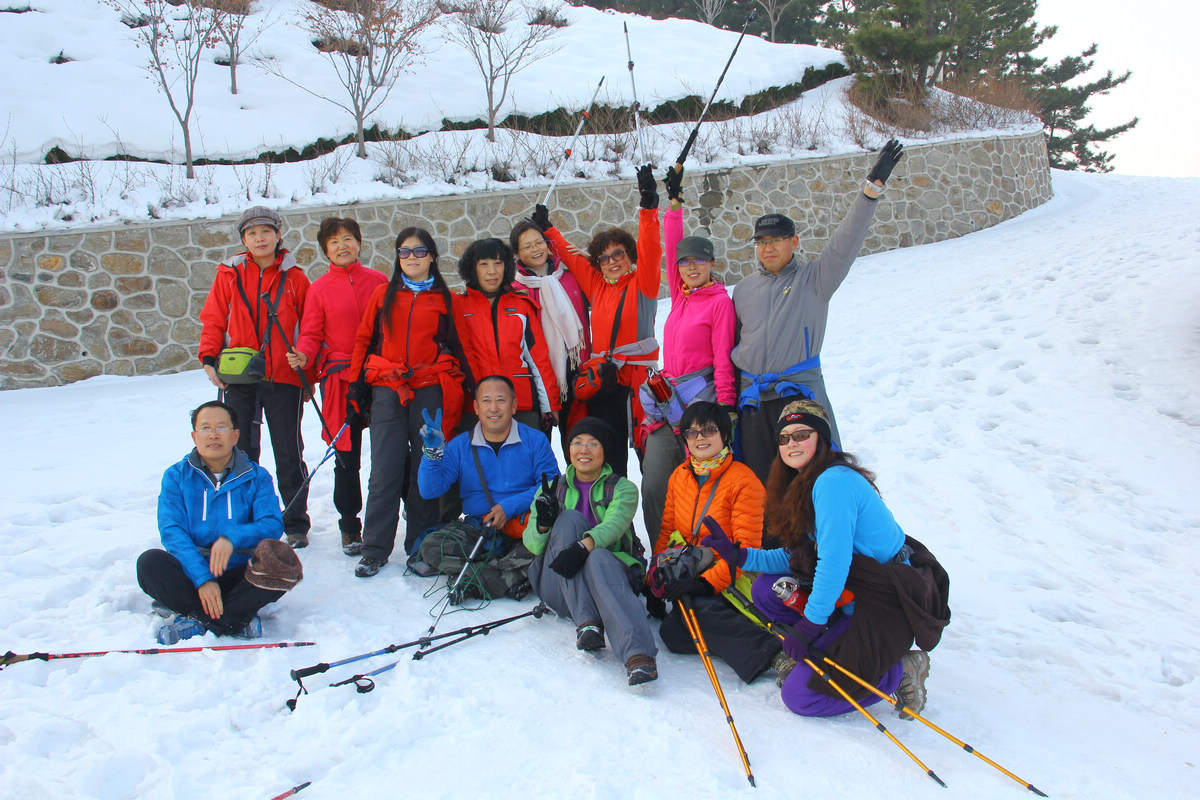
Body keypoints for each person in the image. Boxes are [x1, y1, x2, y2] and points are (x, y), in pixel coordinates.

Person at [702, 399, 950, 718]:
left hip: (883, 603)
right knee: (766, 589)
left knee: (801, 697)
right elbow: (801, 556)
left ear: (821, 437)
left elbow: (833, 564)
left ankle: (899, 670)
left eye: (801, 434)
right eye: (784, 437)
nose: (792, 443)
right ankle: (831, 645)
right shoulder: (808, 482)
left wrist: (809, 627)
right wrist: (740, 556)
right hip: (852, 594)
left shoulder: (832, 483)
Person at [733, 140, 905, 488]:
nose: (768, 248)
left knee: (806, 481)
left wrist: (870, 192)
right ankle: (763, 544)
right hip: (751, 400)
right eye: (762, 241)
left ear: (793, 243)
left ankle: (809, 542)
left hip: (796, 396)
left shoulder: (815, 279)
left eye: (776, 240)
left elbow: (846, 241)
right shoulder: (743, 289)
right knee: (755, 483)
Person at [349, 227, 466, 578]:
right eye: (404, 252)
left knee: (425, 468)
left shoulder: (446, 300)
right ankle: (374, 548)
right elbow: (363, 341)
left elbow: (458, 347)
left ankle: (420, 545)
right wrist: (356, 385)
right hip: (388, 388)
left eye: (418, 251)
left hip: (430, 389)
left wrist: (470, 388)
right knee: (384, 469)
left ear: (431, 256)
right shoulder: (383, 295)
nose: (411, 258)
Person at [137, 401, 303, 645]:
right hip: (192, 574)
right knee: (149, 563)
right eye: (205, 428)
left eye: (221, 427)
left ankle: (199, 620)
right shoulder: (176, 476)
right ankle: (234, 618)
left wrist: (232, 539)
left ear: (235, 435)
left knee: (282, 561)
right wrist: (203, 580)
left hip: (241, 572)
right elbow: (173, 531)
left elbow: (271, 524)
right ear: (194, 436)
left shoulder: (256, 477)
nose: (213, 434)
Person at [534, 165, 663, 476]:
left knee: (652, 461)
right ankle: (616, 521)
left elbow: (652, 249)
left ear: (630, 256)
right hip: (604, 383)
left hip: (638, 384)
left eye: (618, 254)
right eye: (604, 258)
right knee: (610, 457)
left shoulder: (643, 284)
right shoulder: (597, 285)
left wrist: (648, 208)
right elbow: (574, 259)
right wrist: (548, 230)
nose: (611, 262)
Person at [197, 205, 312, 548]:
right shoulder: (229, 274)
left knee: (288, 452)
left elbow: (309, 327)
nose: (259, 238)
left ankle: (295, 524)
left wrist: (309, 372)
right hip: (240, 376)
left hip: (284, 376)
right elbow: (214, 317)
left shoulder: (296, 277)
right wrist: (208, 357)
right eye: (251, 233)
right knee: (241, 452)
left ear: (278, 235)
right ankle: (245, 521)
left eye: (265, 231)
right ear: (244, 240)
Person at [650, 402, 784, 685]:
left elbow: (745, 552)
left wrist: (703, 585)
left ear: (725, 434)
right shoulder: (680, 476)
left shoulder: (743, 480)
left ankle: (774, 654)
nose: (700, 438)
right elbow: (667, 529)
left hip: (733, 575)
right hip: (693, 568)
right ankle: (726, 630)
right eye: (692, 432)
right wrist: (656, 571)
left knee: (698, 607)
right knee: (672, 633)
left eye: (709, 430)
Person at [638, 165, 737, 541]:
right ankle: (661, 559)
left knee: (703, 490)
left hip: (702, 405)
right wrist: (674, 203)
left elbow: (724, 360)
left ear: (711, 264)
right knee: (656, 485)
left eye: (698, 260)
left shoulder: (719, 304)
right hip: (668, 407)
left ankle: (701, 556)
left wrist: (726, 409)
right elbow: (671, 242)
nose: (690, 266)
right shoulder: (680, 295)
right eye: (684, 262)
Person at [524, 417, 657, 686]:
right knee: (569, 519)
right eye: (577, 443)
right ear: (568, 448)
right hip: (559, 585)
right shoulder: (552, 490)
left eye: (593, 444)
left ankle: (638, 656)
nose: (583, 450)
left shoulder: (623, 488)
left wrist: (584, 546)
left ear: (604, 451)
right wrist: (543, 522)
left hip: (609, 580)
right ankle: (587, 623)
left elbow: (614, 525)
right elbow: (533, 546)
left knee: (596, 554)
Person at [289, 217, 388, 556]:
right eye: (334, 242)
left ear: (359, 243)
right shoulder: (319, 289)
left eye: (348, 238)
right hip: (340, 381)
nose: (342, 246)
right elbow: (312, 333)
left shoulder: (379, 282)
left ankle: (385, 520)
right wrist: (304, 355)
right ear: (325, 250)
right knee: (346, 457)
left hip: (378, 377)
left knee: (388, 453)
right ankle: (350, 526)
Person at [416, 375, 559, 599]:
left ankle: (478, 575)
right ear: (475, 407)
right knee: (432, 546)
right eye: (486, 401)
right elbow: (430, 490)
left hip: (524, 526)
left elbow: (552, 484)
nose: (494, 408)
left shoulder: (535, 440)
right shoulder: (460, 445)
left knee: (549, 545)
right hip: (479, 527)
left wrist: (509, 507)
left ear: (513, 406)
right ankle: (510, 574)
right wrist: (432, 454)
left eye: (501, 400)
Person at [454, 237, 561, 434]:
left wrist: (550, 404)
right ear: (472, 268)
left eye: (498, 263)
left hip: (520, 403)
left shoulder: (522, 306)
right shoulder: (458, 307)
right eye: (484, 264)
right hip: (474, 407)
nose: (492, 272)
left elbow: (539, 360)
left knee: (525, 462)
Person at [509, 218, 591, 451]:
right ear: (516, 253)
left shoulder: (568, 275)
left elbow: (603, 283)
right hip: (538, 383)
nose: (536, 249)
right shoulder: (514, 289)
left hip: (576, 375)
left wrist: (588, 260)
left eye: (539, 242)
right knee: (538, 450)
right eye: (527, 246)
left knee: (578, 446)